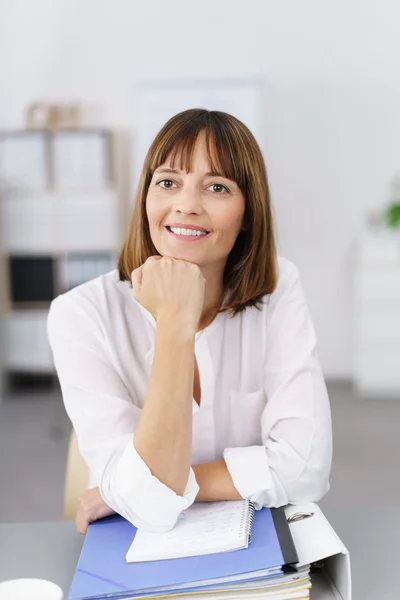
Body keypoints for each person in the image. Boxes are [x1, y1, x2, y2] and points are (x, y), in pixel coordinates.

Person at [47, 108, 332, 535]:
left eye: (217, 186)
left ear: (248, 214)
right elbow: (146, 506)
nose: (185, 205)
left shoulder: (278, 286)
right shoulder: (81, 315)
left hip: (251, 536)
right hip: (131, 541)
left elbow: (307, 469)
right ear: (146, 198)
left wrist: (164, 483)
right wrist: (175, 321)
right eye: (167, 182)